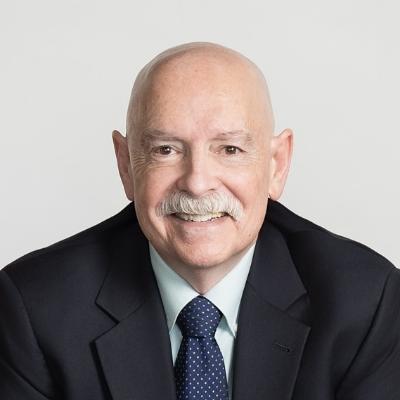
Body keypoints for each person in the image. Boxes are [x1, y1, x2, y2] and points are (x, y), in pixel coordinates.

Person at [0, 42, 399, 400]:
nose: (197, 182)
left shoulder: (365, 302)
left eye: (229, 149)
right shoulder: (35, 307)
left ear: (277, 165)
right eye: (166, 150)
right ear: (125, 165)